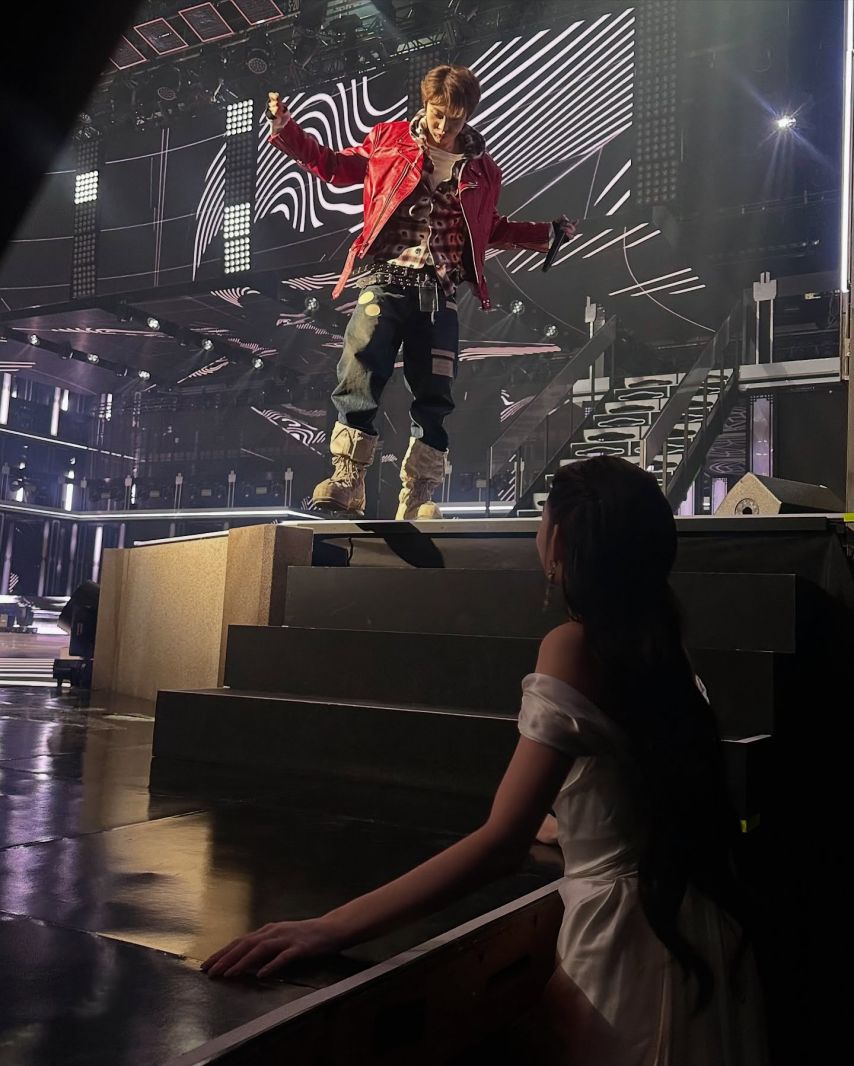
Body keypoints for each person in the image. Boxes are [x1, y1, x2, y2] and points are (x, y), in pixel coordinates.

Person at [203, 456, 766, 1065]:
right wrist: (576, 829)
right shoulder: (665, 649)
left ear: (559, 543)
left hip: (624, 952)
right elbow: (641, 796)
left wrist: (330, 926)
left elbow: (501, 845)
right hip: (700, 941)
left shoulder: (574, 646)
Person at [266, 65, 576, 520]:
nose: (444, 126)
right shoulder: (388, 140)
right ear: (425, 104)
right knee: (359, 369)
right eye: (437, 114)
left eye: (455, 118)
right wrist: (287, 129)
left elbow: (488, 228)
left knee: (434, 393)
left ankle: (417, 495)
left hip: (439, 291)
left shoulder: (484, 170)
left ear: (468, 115)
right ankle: (348, 478)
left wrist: (544, 234)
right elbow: (333, 166)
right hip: (385, 278)